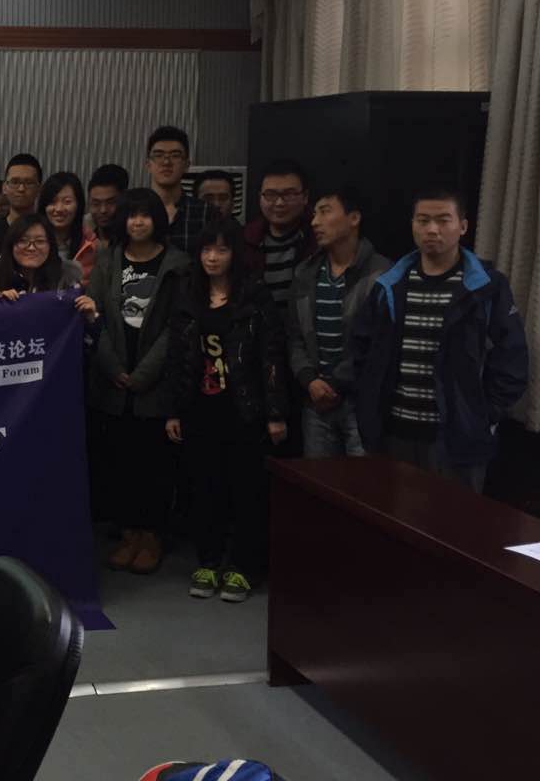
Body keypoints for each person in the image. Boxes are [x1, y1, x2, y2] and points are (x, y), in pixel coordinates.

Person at [352, 188, 528, 493]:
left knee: (455, 519)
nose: (432, 229)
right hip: (394, 434)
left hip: (457, 438)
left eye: (443, 220)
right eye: (423, 220)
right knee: (391, 516)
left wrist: (484, 413)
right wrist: (367, 402)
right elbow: (361, 348)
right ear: (413, 225)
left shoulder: (486, 287)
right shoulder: (390, 284)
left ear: (463, 226)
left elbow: (512, 357)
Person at [166, 218, 288, 603]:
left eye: (221, 249)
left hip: (244, 408)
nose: (212, 257)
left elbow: (271, 355)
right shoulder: (188, 293)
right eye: (206, 249)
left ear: (236, 253)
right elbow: (177, 355)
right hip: (199, 407)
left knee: (247, 490)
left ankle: (243, 566)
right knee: (205, 488)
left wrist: (275, 412)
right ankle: (208, 560)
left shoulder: (255, 294)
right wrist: (174, 410)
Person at [87, 189, 190, 574]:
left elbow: (178, 325)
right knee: (120, 460)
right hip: (112, 376)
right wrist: (113, 366)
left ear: (157, 220)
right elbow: (93, 315)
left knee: (154, 463)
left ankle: (152, 537)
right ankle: (129, 535)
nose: (138, 222)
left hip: (157, 379)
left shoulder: (178, 264)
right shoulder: (108, 259)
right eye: (131, 215)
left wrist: (145, 373)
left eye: (145, 215)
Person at [287, 188, 390, 458]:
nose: (314, 222)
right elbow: (295, 336)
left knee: (363, 480)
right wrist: (309, 380)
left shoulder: (382, 274)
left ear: (353, 218)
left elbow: (378, 345)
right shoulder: (305, 272)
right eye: (314, 214)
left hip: (360, 401)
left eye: (325, 212)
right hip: (315, 400)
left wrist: (337, 383)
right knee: (317, 480)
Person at [244, 159, 314, 311]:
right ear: (260, 197)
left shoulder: (319, 238)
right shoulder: (246, 240)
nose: (279, 203)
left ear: (305, 196)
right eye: (270, 195)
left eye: (289, 194)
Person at [145, 126, 217, 256]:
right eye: (158, 155)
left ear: (187, 165)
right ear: (148, 165)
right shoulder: (132, 211)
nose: (166, 162)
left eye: (175, 155)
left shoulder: (206, 212)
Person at [0, 214, 85, 298]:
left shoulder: (68, 278)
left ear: (51, 245)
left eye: (40, 241)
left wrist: (88, 313)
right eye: (23, 241)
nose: (31, 248)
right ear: (11, 245)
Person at [39, 171, 98, 285]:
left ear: (78, 205)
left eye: (67, 202)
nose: (59, 209)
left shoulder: (91, 245)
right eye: (52, 202)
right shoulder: (31, 242)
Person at [87, 163, 129, 250]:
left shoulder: (135, 240)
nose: (103, 210)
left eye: (110, 203)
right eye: (96, 204)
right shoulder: (82, 237)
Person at [2, 153, 43, 226]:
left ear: (39, 189)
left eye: (29, 183)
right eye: (15, 182)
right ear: (4, 187)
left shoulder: (47, 229)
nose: (21, 189)